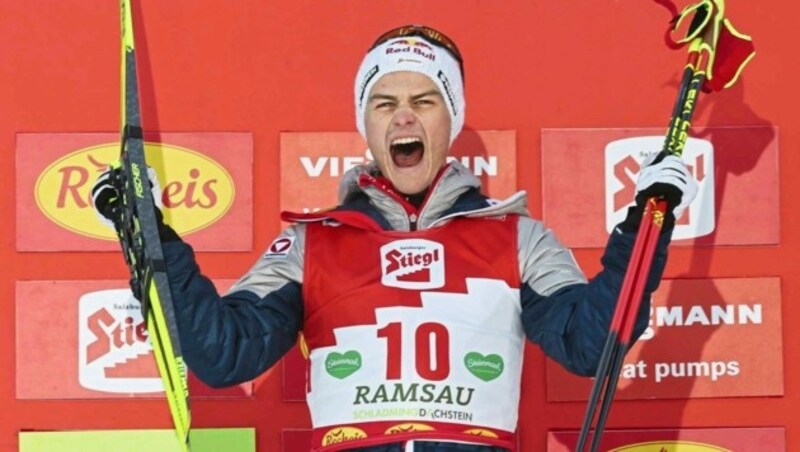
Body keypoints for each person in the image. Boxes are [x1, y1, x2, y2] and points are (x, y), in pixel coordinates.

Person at [93, 24, 697, 452]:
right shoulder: (312, 244)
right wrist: (150, 233)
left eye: (423, 100)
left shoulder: (519, 239)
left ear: (449, 120)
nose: (403, 116)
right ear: (368, 125)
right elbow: (224, 353)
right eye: (384, 102)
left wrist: (648, 220)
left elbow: (592, 344)